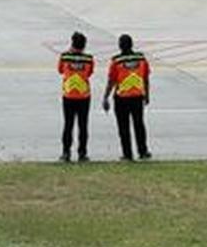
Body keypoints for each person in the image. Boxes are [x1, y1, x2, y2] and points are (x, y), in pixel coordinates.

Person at [102, 34, 151, 161]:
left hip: (122, 97)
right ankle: (143, 151)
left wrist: (106, 97)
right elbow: (145, 78)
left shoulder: (116, 61)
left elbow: (111, 81)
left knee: (123, 127)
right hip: (137, 95)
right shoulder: (141, 59)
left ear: (120, 46)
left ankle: (127, 154)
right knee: (139, 124)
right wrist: (147, 94)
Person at [57, 31, 95, 162]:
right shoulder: (89, 59)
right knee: (83, 125)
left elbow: (60, 70)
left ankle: (66, 152)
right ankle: (82, 153)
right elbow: (89, 73)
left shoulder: (65, 57)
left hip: (68, 95)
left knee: (68, 124)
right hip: (84, 95)